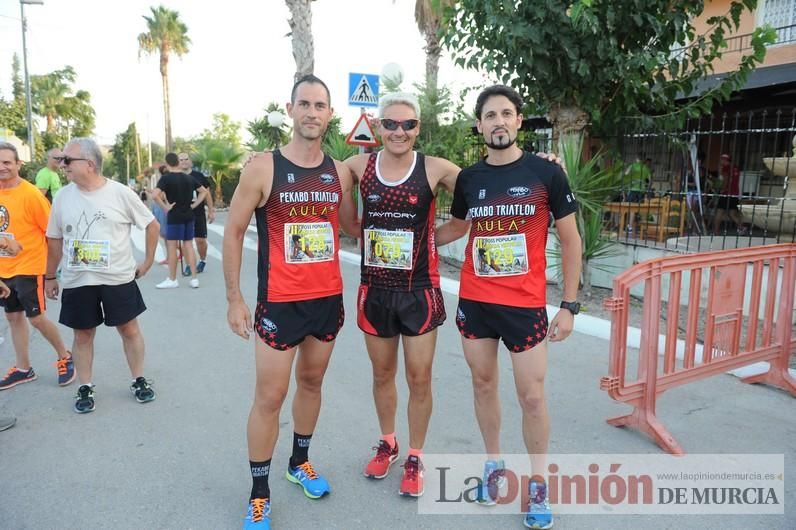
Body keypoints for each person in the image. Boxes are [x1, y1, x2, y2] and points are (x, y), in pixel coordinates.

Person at [436, 85, 582, 529]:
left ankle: (538, 485)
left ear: (519, 120)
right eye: (489, 115)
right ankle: (493, 465)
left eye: (506, 113)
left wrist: (570, 305)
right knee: (483, 385)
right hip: (476, 303)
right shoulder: (469, 179)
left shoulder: (546, 173)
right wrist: (412, 240)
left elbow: (571, 239)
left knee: (532, 397)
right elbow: (458, 227)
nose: (498, 121)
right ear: (479, 125)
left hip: (524, 306)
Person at [223, 74, 357, 530]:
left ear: (330, 114)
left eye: (320, 105)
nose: (312, 112)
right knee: (270, 397)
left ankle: (299, 462)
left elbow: (354, 227)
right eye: (305, 104)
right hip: (279, 302)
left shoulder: (339, 172)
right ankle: (259, 493)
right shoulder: (263, 167)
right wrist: (234, 298)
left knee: (313, 383)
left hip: (327, 300)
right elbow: (235, 231)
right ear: (291, 108)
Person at [343, 92, 459, 497]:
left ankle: (415, 454)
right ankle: (388, 442)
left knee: (419, 377)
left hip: (419, 291)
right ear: (377, 127)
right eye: (390, 123)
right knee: (381, 374)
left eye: (408, 124)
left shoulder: (435, 168)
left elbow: (486, 190)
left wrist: (432, 241)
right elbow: (345, 218)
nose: (399, 131)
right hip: (375, 290)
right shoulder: (358, 166)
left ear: (418, 128)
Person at [44, 137, 160, 413]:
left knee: (129, 329)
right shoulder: (62, 196)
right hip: (78, 280)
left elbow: (151, 226)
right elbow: (55, 240)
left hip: (117, 278)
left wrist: (147, 261)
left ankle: (138, 379)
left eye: (68, 161)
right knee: (83, 334)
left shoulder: (120, 193)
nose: (63, 166)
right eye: (61, 161)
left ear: (90, 164)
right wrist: (49, 276)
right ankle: (85, 386)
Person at [0, 141, 74, 391]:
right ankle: (23, 368)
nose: (2, 168)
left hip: (30, 265)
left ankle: (65, 356)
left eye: (7, 162)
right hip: (4, 268)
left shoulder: (31, 194)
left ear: (18, 164)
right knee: (12, 316)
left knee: (37, 319)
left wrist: (52, 270)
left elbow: (53, 231)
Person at [151, 153, 207, 289]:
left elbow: (154, 195)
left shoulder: (166, 179)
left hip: (174, 216)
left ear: (167, 163)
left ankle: (172, 279)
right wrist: (194, 205)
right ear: (178, 162)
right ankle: (194, 279)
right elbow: (204, 191)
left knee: (171, 247)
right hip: (188, 214)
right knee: (188, 245)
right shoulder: (189, 178)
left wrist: (165, 207)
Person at [178, 153, 215, 275]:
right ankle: (189, 264)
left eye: (186, 159)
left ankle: (202, 260)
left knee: (200, 240)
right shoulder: (175, 177)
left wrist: (210, 211)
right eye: (181, 159)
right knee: (185, 241)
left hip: (198, 212)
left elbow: (207, 194)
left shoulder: (198, 176)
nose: (183, 161)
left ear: (190, 161)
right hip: (182, 213)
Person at [712, 153, 745, 235]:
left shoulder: (726, 168)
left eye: (722, 159)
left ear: (725, 160)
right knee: (732, 213)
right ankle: (742, 228)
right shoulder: (736, 168)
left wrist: (723, 189)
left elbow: (726, 179)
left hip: (726, 193)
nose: (720, 161)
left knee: (719, 212)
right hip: (735, 193)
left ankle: (716, 232)